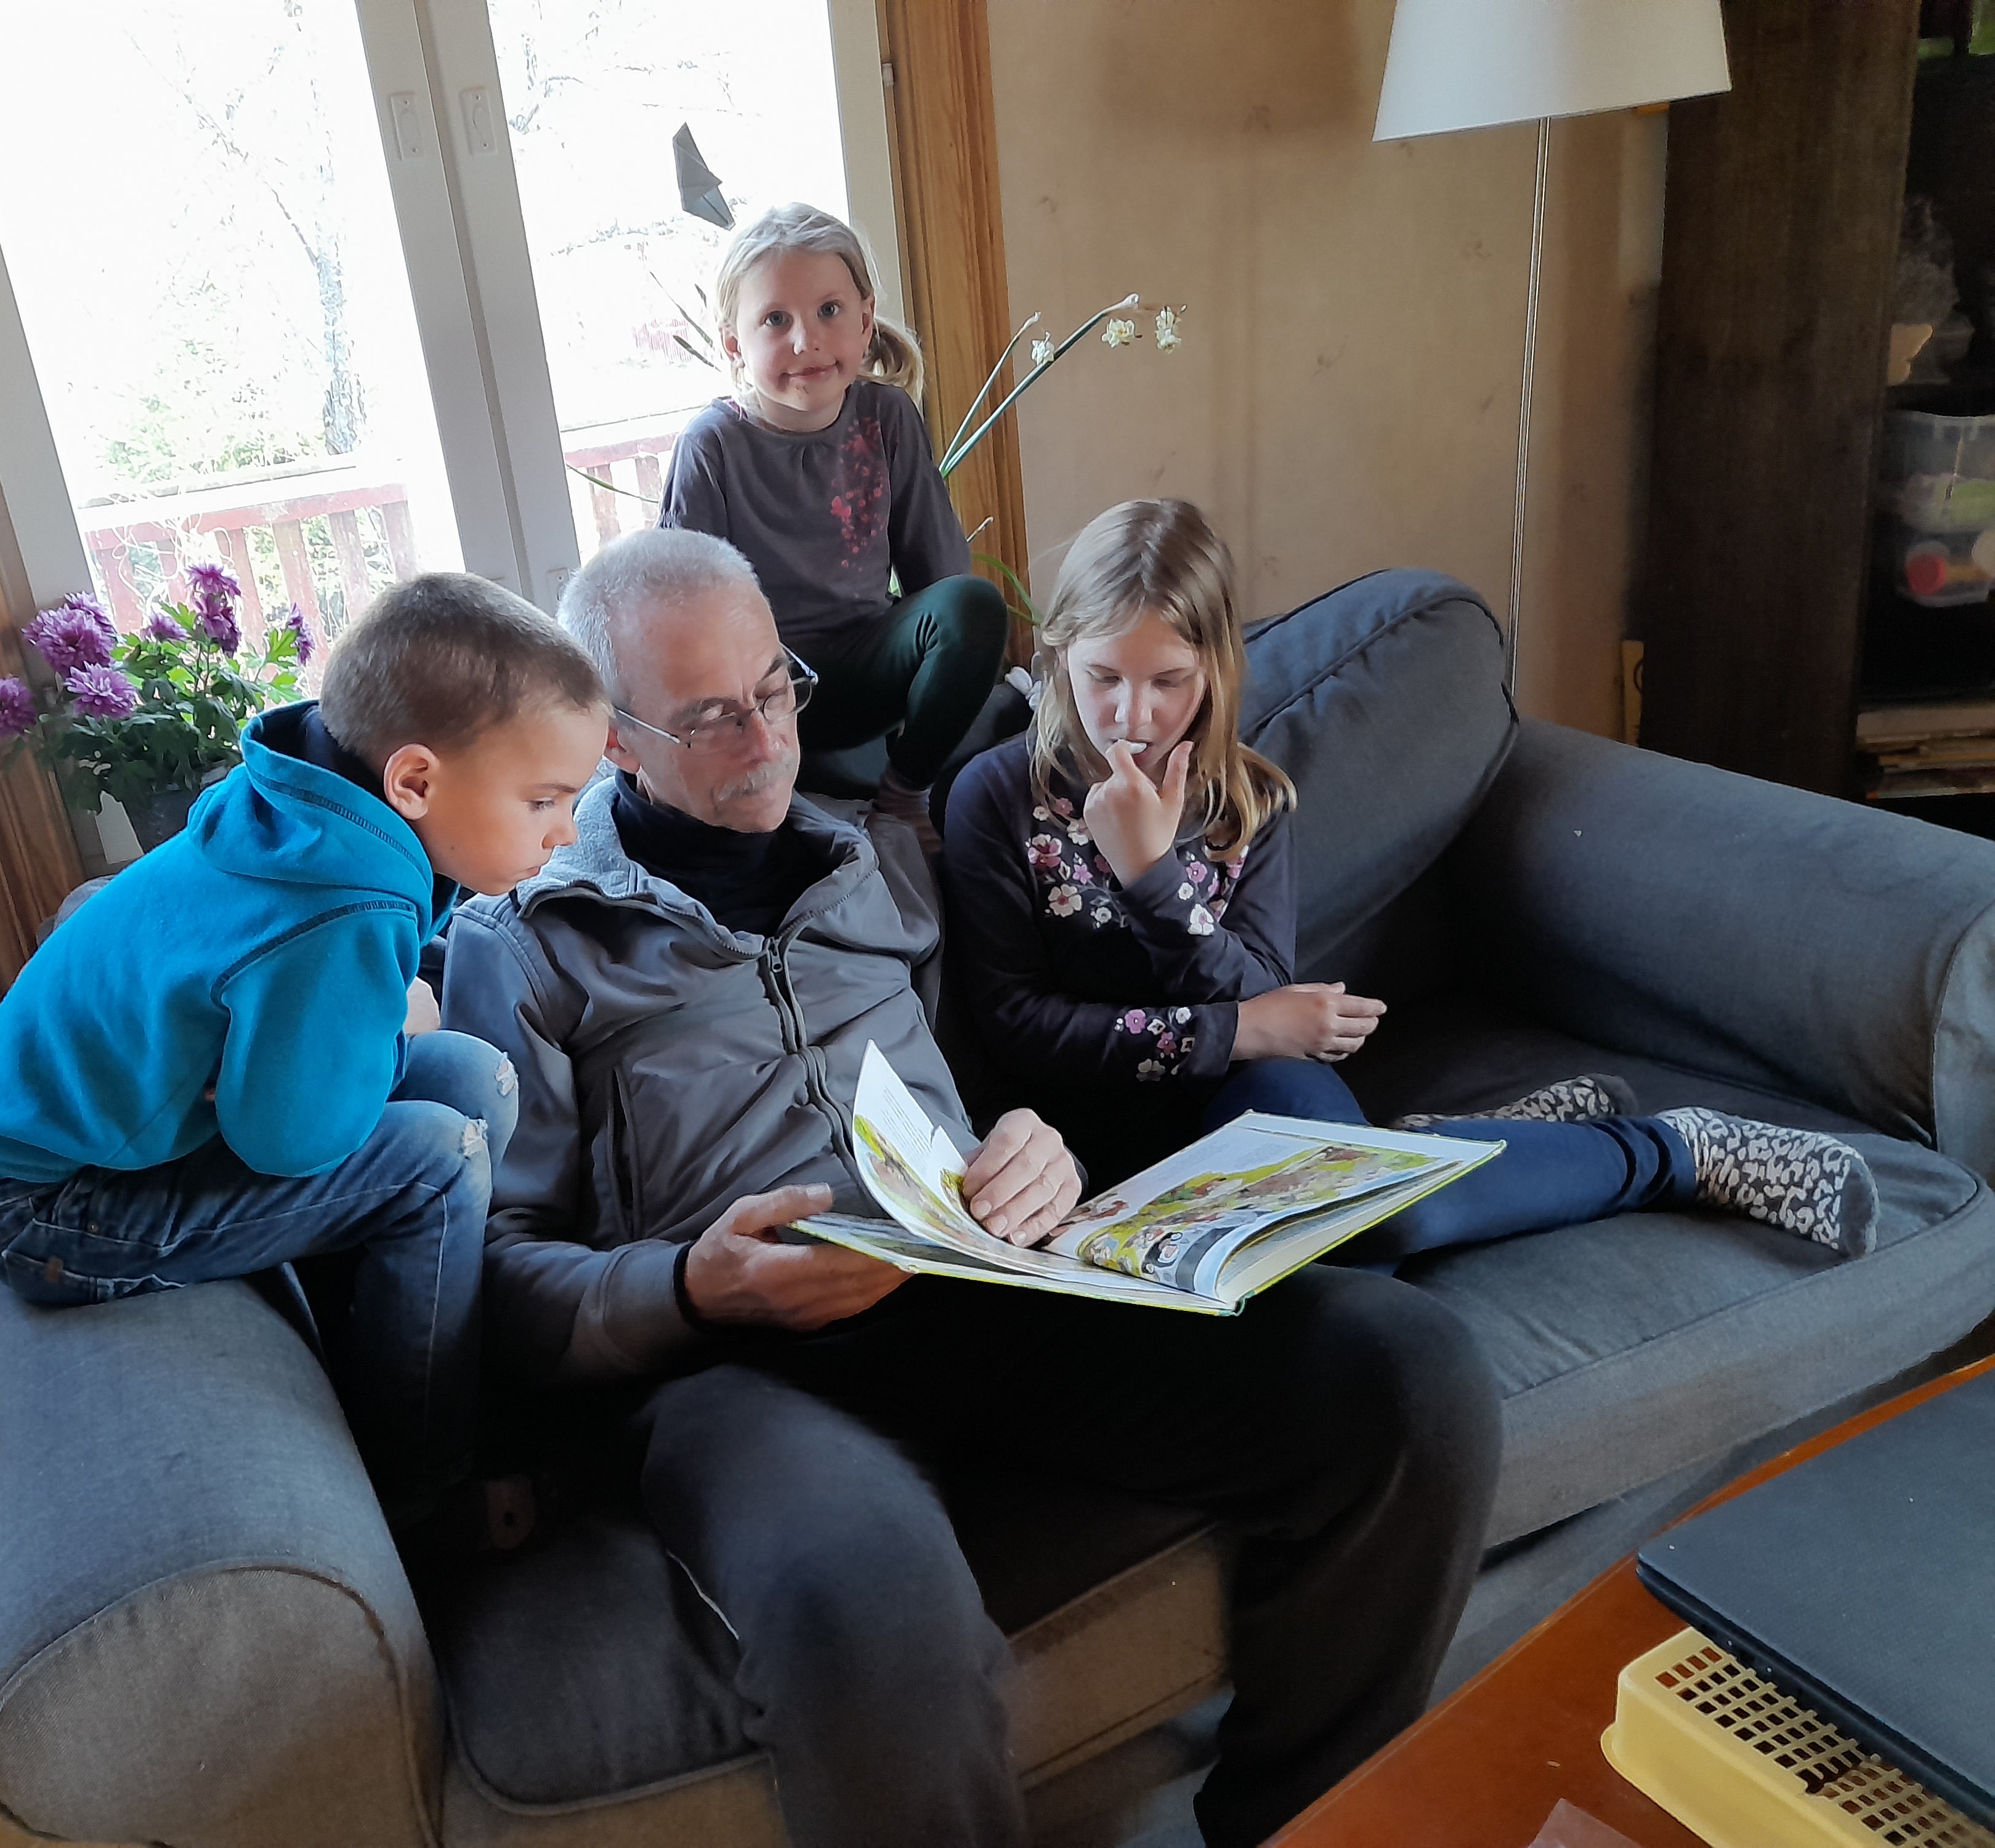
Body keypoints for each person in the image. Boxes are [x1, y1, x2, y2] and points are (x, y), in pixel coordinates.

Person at [441, 525, 1504, 1848]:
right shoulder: (525, 940)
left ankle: (1303, 1825)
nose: (766, 742)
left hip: (986, 1282)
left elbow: (984, 1077)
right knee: (869, 1600)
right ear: (613, 742)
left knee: (1406, 1372)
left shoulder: (877, 863)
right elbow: (499, 1271)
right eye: (709, 718)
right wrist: (692, 1285)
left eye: (775, 691)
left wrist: (1033, 1142)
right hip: (743, 1369)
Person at [941, 497, 1881, 1266]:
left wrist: (1152, 876)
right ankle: (1448, 1142)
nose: (1131, 716)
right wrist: (1234, 1030)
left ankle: (1676, 1152)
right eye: (1104, 676)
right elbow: (1019, 1027)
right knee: (1336, 1277)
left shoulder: (1250, 802)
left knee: (1382, 1225)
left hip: (1246, 1093)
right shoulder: (994, 797)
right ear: (1059, 653)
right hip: (1088, 1135)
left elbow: (1261, 987)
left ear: (1216, 673)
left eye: (1168, 682)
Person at [0, 573, 610, 1522]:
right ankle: (427, 1493)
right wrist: (396, 1020)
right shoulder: (339, 905)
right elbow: (289, 1143)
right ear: (414, 780)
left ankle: (397, 1335)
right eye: (546, 800)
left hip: (66, 1151)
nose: (567, 832)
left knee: (474, 1077)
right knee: (437, 1156)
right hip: (55, 1213)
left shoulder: (308, 805)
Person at [660, 201, 1007, 857]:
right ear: (735, 344)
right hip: (759, 692)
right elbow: (682, 616)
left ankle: (904, 794)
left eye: (828, 311)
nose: (806, 340)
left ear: (865, 320)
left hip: (863, 669)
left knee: (973, 605)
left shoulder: (886, 418)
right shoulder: (712, 446)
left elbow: (942, 578)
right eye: (774, 320)